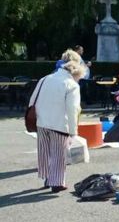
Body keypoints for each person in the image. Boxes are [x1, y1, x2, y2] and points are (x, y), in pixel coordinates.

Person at [29, 59, 85, 192]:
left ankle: (47, 177)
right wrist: (73, 131)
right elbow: (72, 109)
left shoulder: (45, 79)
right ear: (76, 74)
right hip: (59, 124)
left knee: (45, 152)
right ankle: (57, 182)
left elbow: (32, 100)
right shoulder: (72, 85)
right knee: (58, 154)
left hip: (41, 122)